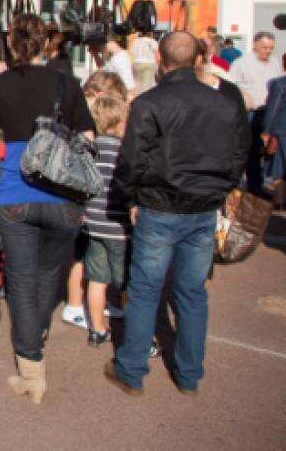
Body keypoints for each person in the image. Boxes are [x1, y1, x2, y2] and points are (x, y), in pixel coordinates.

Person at [106, 32, 248, 397]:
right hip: (195, 206)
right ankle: (187, 374)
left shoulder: (153, 102)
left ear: (161, 62)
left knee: (147, 290)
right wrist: (216, 192)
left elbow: (130, 161)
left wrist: (131, 198)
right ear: (197, 60)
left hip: (164, 206)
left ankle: (134, 370)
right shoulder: (222, 103)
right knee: (190, 292)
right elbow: (237, 158)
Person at [0, 13, 95, 405]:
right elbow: (88, 137)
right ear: (47, 42)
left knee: (22, 280)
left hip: (15, 192)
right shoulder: (67, 84)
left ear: (11, 43)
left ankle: (31, 366)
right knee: (48, 275)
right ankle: (36, 335)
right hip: (63, 195)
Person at [61, 70, 128, 332]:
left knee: (85, 257)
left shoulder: (82, 113)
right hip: (94, 209)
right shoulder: (87, 118)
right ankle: (76, 305)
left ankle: (81, 306)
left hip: (86, 207)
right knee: (81, 257)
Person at [82, 93, 131, 348]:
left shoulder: (90, 148)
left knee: (97, 280)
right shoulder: (124, 151)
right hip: (119, 226)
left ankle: (97, 329)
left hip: (92, 224)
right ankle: (135, 335)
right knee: (127, 283)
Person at [229, 32, 277, 196]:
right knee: (246, 149)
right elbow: (231, 87)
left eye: (271, 48)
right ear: (255, 45)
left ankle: (257, 186)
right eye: (264, 47)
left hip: (268, 112)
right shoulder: (241, 63)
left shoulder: (274, 64)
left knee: (262, 150)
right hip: (248, 112)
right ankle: (240, 187)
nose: (268, 51)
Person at [259, 52, 286, 199]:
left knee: (279, 170)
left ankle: (280, 201)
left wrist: (266, 131)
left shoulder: (279, 83)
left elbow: (273, 109)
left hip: (282, 131)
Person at [128, 30, 158, 95]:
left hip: (137, 63)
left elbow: (131, 52)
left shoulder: (135, 41)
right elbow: (156, 52)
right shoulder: (152, 41)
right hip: (149, 64)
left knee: (136, 83)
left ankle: (136, 97)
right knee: (147, 86)